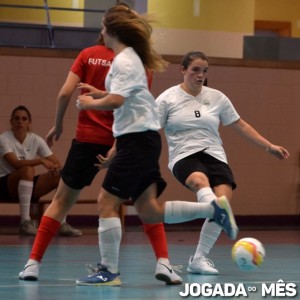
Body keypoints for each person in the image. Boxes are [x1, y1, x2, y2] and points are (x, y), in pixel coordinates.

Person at [72, 5, 238, 286]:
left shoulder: (124, 60)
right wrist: (103, 93)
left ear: (112, 31)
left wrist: (92, 103)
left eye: (102, 27)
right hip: (142, 140)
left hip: (136, 141)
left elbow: (118, 101)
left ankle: (108, 271)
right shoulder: (130, 58)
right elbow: (128, 95)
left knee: (106, 202)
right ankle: (214, 210)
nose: (100, 32)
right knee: (149, 210)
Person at [18, 34, 182, 284]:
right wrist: (117, 144)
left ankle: (32, 264)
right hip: (127, 141)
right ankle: (164, 262)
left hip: (87, 140)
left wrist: (58, 124)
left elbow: (64, 93)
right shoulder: (141, 61)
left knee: (61, 201)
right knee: (145, 201)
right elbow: (136, 106)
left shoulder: (87, 54)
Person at [156, 51, 290, 275]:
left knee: (224, 201)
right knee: (200, 181)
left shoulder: (217, 97)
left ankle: (199, 259)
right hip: (184, 155)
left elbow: (241, 125)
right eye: (195, 70)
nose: (200, 75)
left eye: (204, 71)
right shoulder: (167, 99)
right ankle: (215, 210)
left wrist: (269, 146)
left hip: (215, 155)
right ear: (183, 70)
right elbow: (148, 129)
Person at [0, 105, 81, 236]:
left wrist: (54, 168)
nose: (20, 121)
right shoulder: (4, 139)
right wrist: (41, 160)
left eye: (24, 119)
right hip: (4, 185)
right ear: (11, 122)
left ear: (29, 122)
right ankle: (25, 222)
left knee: (61, 175)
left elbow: (56, 162)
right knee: (27, 170)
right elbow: (15, 164)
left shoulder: (35, 139)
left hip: (25, 185)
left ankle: (60, 222)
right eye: (17, 118)